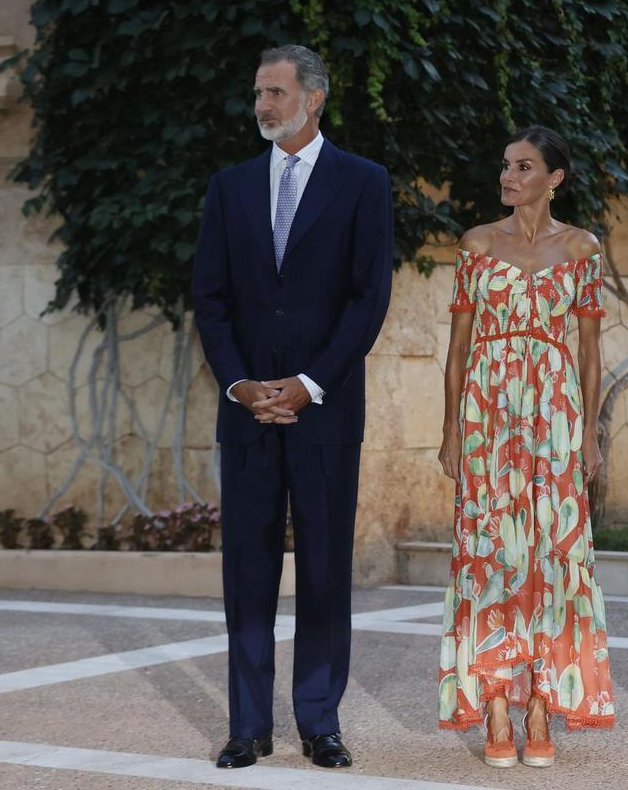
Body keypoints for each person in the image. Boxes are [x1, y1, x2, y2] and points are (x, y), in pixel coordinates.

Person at [191, 45, 393, 770]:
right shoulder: (229, 187)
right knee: (246, 572)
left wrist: (308, 385)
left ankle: (319, 721)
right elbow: (209, 300)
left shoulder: (364, 184)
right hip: (246, 413)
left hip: (324, 411)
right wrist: (241, 384)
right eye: (257, 94)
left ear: (314, 99)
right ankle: (247, 726)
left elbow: (368, 298)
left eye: (275, 93)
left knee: (325, 571)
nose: (263, 106)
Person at [436, 125, 616, 768]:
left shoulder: (583, 248)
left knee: (551, 556)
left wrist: (590, 430)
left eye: (523, 166)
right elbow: (458, 351)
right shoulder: (477, 243)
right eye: (505, 165)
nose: (508, 176)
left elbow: (591, 354)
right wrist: (452, 430)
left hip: (554, 413)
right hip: (488, 412)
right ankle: (492, 708)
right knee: (490, 553)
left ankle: (541, 703)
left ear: (554, 178)